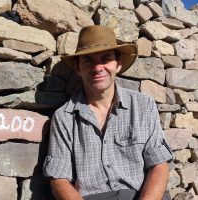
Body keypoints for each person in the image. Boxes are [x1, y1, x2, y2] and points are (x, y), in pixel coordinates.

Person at [43, 25, 173, 200]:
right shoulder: (64, 117)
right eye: (88, 60)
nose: (98, 68)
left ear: (118, 64)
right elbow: (59, 180)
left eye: (105, 59)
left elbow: (159, 164)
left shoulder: (143, 105)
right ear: (78, 68)